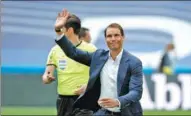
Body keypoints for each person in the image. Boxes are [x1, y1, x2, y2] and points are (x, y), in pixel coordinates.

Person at [54, 9, 143, 116]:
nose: (113, 39)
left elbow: (136, 92)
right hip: (103, 112)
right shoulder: (98, 57)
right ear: (105, 39)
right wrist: (58, 30)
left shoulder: (134, 62)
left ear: (123, 37)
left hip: (126, 112)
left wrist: (117, 101)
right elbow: (73, 53)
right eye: (109, 36)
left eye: (116, 35)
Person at [42, 13, 96, 116]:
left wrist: (89, 86)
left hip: (84, 100)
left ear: (70, 30)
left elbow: (100, 74)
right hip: (63, 101)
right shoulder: (55, 50)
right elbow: (46, 75)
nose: (59, 31)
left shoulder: (91, 49)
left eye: (62, 28)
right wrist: (47, 77)